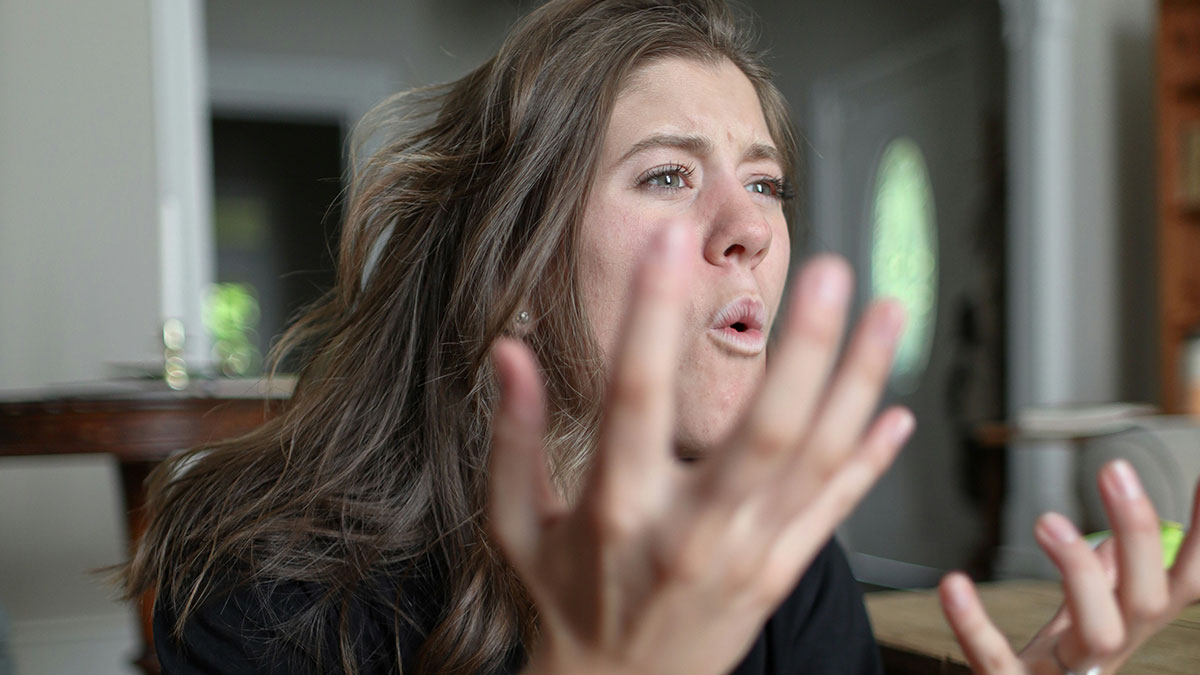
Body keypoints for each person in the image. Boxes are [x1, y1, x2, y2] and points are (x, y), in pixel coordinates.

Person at [122, 1, 1200, 673]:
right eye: (668, 175)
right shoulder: (267, 590)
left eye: (766, 181)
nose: (749, 231)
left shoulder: (771, 554)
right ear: (521, 275)